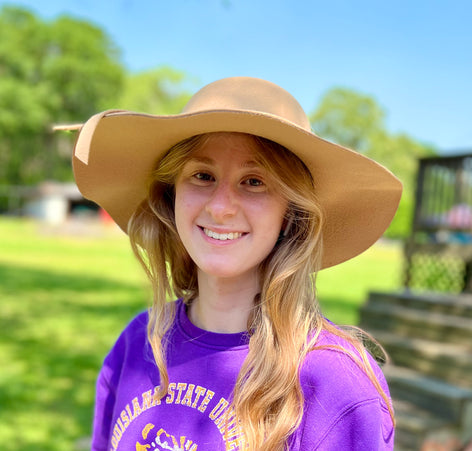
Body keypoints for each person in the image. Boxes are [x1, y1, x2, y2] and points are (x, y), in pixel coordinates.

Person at [68, 77, 402, 450]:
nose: (220, 206)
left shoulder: (333, 383)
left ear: (290, 213)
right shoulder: (138, 342)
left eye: (254, 181)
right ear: (171, 195)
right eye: (202, 176)